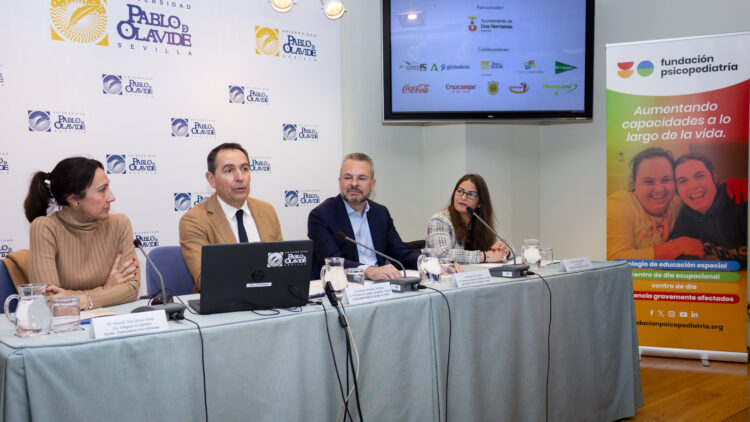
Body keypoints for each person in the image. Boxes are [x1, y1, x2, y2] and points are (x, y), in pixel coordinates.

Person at [24, 157, 139, 309]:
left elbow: (132, 289)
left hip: (111, 323)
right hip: (66, 327)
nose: (112, 197)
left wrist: (82, 300)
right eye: (102, 190)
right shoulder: (45, 228)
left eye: (108, 187)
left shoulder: (120, 224)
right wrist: (106, 289)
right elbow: (51, 299)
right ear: (74, 199)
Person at [179, 143, 283, 291]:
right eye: (229, 170)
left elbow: (282, 267)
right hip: (224, 307)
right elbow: (207, 281)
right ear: (211, 179)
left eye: (245, 169)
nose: (240, 177)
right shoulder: (194, 220)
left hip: (270, 301)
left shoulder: (267, 211)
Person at [307, 152, 419, 280]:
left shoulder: (380, 213)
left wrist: (426, 262)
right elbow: (332, 263)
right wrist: (368, 271)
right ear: (340, 182)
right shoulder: (321, 215)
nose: (354, 183)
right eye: (348, 177)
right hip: (343, 289)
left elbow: (400, 253)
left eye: (361, 178)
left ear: (372, 184)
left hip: (380, 287)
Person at [607, 148, 704, 261]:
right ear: (634, 181)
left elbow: (707, 196)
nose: (659, 189)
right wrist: (676, 247)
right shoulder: (619, 205)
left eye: (666, 180)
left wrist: (725, 188)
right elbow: (614, 259)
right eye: (648, 181)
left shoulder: (676, 202)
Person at [669, 153, 747, 266]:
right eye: (683, 181)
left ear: (714, 178)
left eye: (699, 176)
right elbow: (676, 258)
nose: (693, 186)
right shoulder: (686, 214)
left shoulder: (742, 204)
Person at [426, 174, 510, 263]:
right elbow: (443, 254)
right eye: (460, 191)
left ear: (480, 203)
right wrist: (485, 256)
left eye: (471, 194)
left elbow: (510, 249)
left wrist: (505, 251)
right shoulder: (440, 220)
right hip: (449, 275)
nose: (463, 197)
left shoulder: (480, 222)